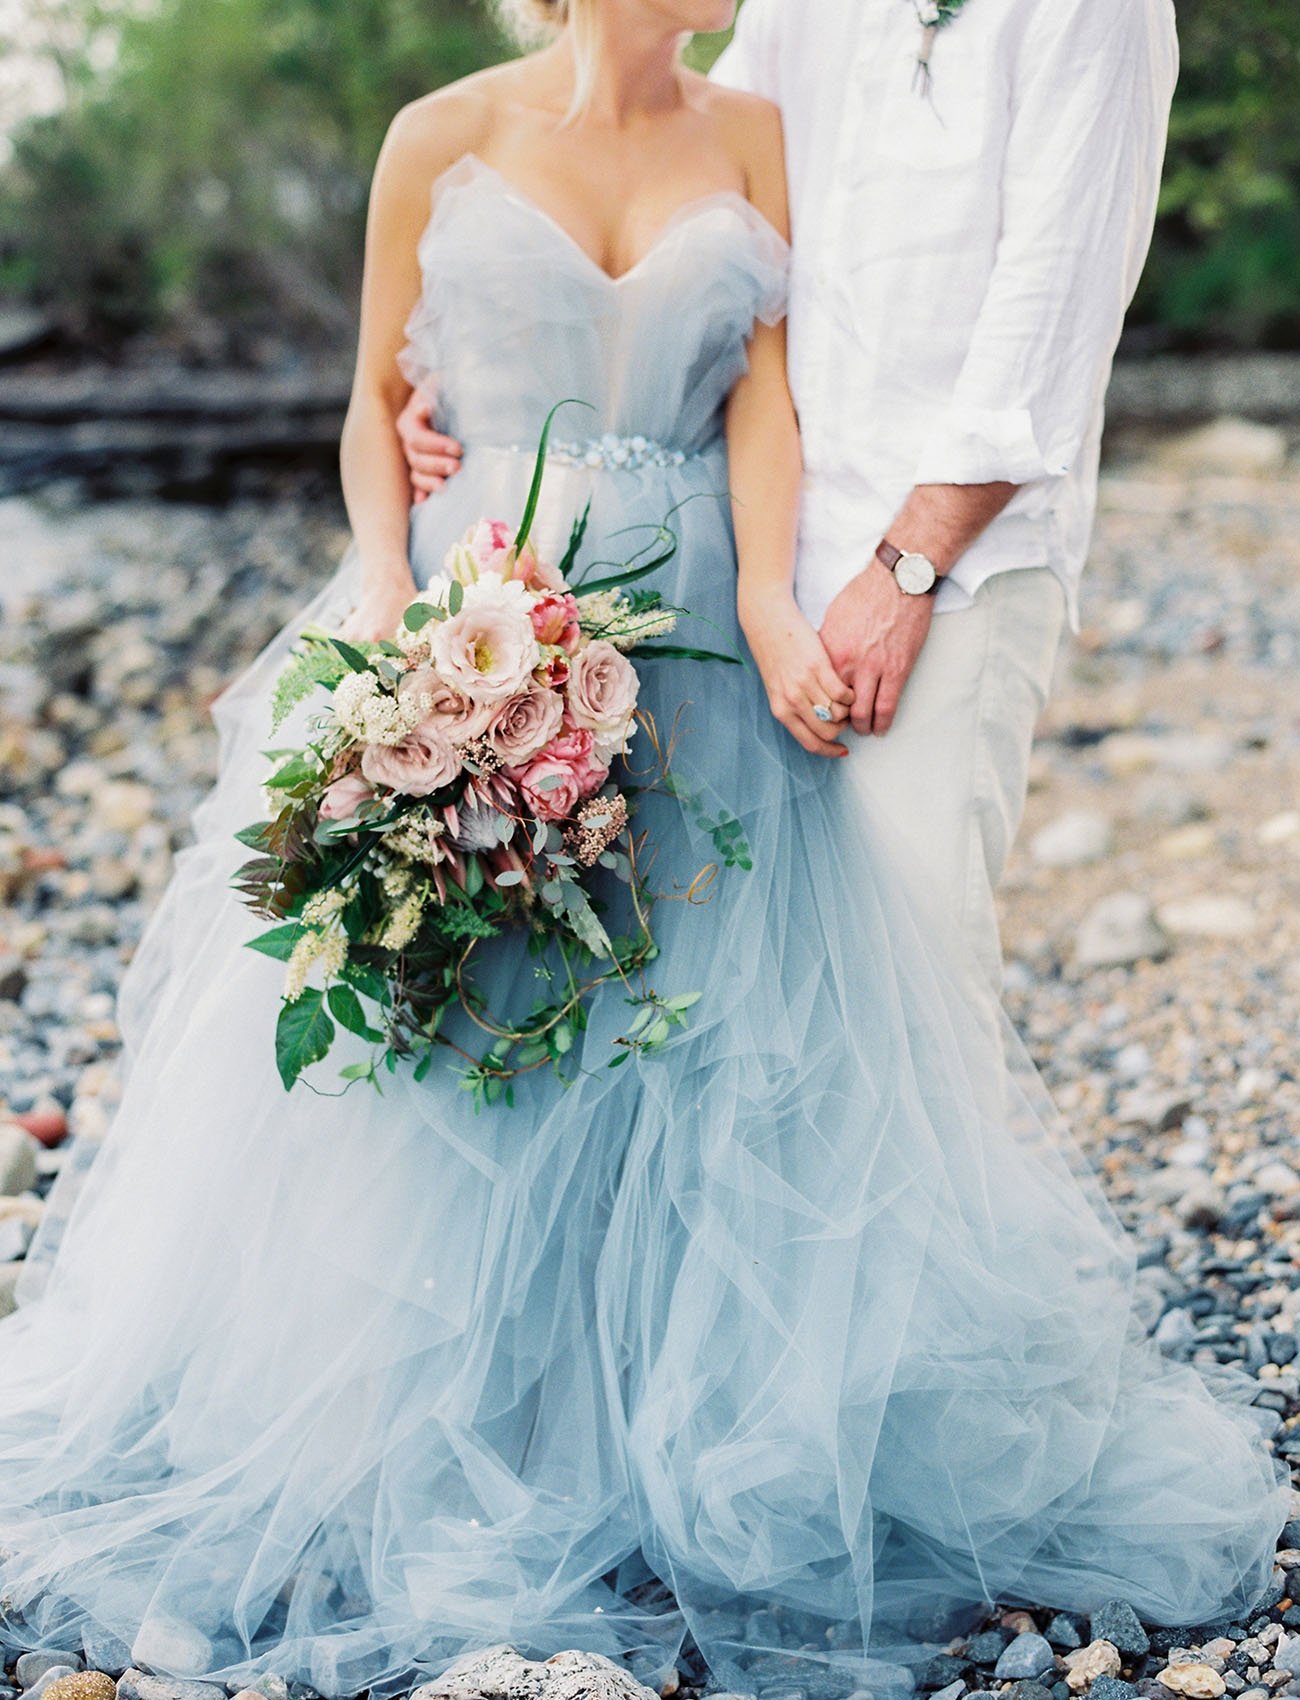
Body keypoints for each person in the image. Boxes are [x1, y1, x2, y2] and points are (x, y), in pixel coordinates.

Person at [0, 5, 1285, 1700]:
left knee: (720, 1018)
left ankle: (730, 1431)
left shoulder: (819, 104)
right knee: (479, 1005)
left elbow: (824, 366)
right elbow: (379, 399)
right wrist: (397, 566)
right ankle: (474, 1424)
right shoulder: (456, 128)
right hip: (489, 601)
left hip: (738, 614)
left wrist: (785, 591)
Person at [397, 0, 1181, 994]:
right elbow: (702, 202)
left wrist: (907, 565)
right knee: (765, 985)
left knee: (911, 979)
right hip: (752, 559)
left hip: (942, 571)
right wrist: (475, 355)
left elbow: (1052, 307)